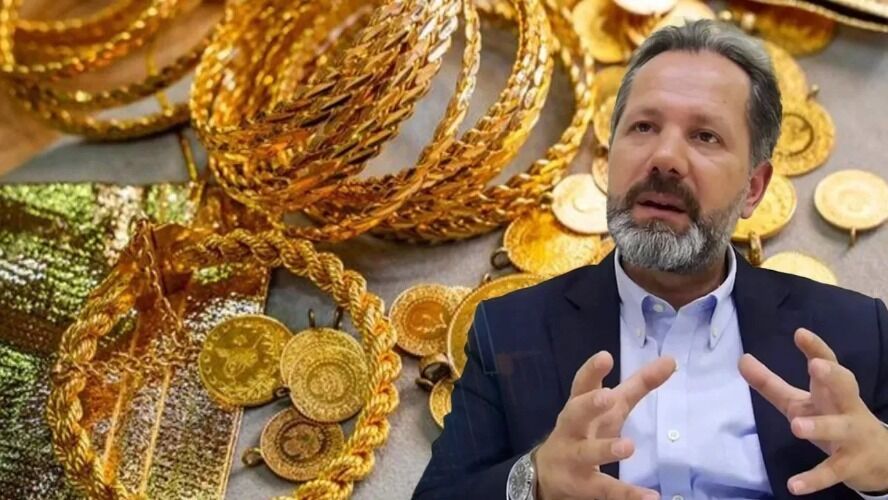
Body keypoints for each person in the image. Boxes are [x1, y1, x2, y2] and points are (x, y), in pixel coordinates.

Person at [412, 19, 888, 500]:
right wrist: (535, 480)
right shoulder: (510, 331)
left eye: (705, 136)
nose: (665, 157)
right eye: (644, 127)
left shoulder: (855, 332)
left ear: (753, 188)